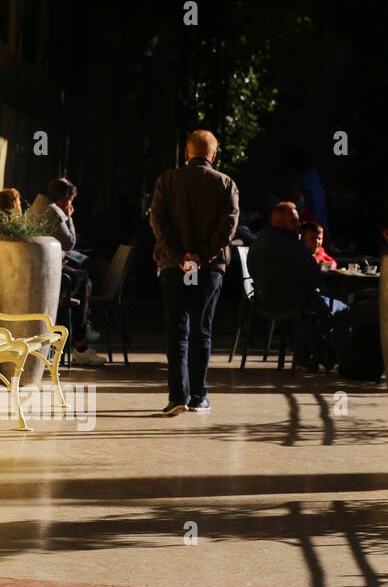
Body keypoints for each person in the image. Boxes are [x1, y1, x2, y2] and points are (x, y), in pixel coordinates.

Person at [148, 129, 240, 415]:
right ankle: (199, 396)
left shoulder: (168, 180)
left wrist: (180, 257)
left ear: (187, 153)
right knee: (202, 330)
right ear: (213, 155)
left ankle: (178, 396)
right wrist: (201, 256)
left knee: (177, 329)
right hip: (209, 268)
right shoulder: (226, 184)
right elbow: (228, 226)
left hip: (174, 267)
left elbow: (158, 221)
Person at [250, 202, 346, 368]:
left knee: (307, 314)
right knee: (341, 308)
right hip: (296, 301)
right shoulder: (295, 245)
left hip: (265, 300)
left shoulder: (257, 243)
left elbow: (252, 270)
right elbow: (315, 277)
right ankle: (341, 359)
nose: (299, 224)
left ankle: (316, 356)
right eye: (294, 221)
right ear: (280, 222)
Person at [28, 177, 105, 366]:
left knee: (80, 281)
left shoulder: (37, 205)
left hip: (40, 270)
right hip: (48, 276)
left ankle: (82, 335)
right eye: (71, 201)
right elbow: (70, 241)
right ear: (64, 200)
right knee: (82, 281)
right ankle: (81, 344)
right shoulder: (53, 211)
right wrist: (69, 216)